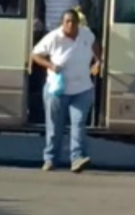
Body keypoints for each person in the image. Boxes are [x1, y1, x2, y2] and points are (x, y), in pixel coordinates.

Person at [31, 9, 102, 173]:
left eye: (73, 22)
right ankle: (50, 159)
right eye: (67, 22)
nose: (70, 25)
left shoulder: (86, 33)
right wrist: (51, 66)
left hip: (82, 88)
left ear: (78, 23)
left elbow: (95, 44)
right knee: (55, 126)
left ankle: (76, 159)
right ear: (62, 23)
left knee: (78, 124)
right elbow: (35, 55)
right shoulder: (54, 37)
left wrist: (98, 61)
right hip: (57, 90)